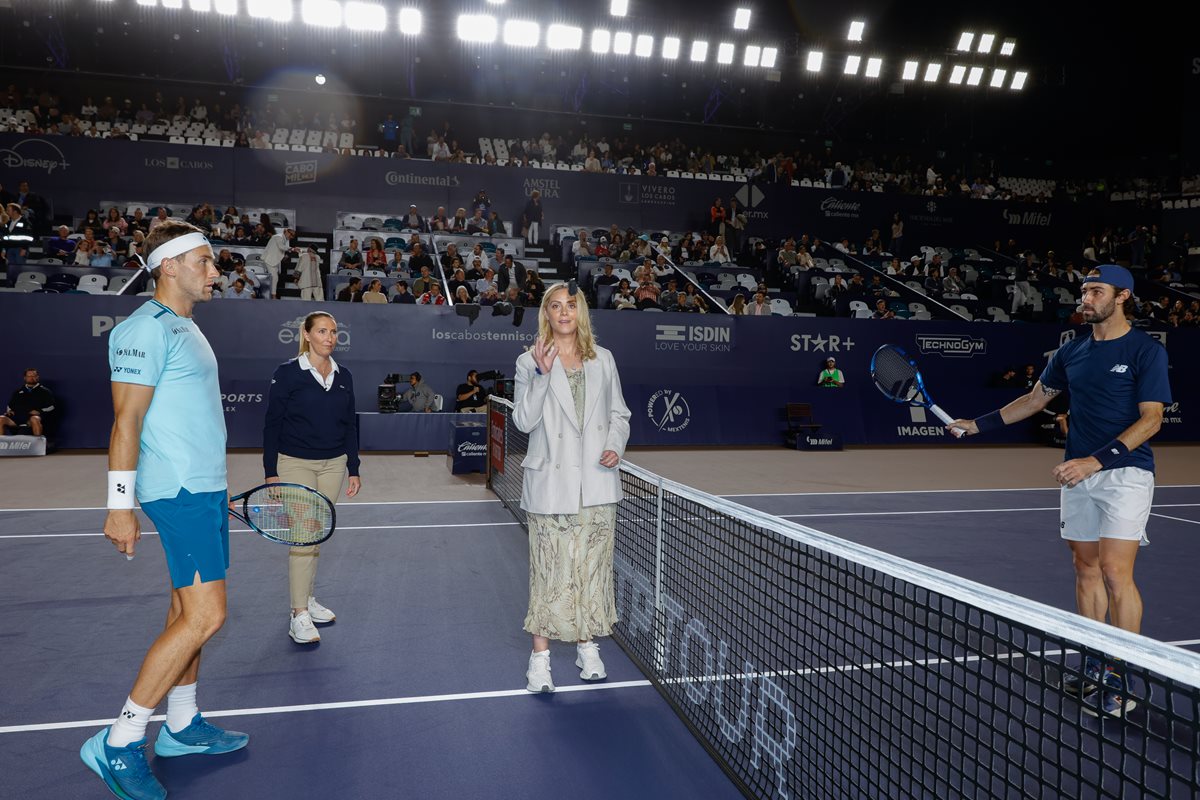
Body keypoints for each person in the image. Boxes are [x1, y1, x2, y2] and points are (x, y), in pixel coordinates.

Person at [949, 265, 1172, 717]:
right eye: (1084, 291)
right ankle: (1095, 660)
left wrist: (1096, 460)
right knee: (1084, 568)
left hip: (1125, 473)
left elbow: (1152, 420)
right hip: (1078, 475)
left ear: (1123, 297)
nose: (1085, 298)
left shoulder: (1145, 351)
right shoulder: (1071, 350)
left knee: (1115, 571)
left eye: (1096, 291)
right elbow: (1035, 400)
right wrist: (977, 425)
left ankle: (1122, 673)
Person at [82, 222, 248, 800]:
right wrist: (119, 505)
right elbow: (125, 421)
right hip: (176, 490)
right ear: (169, 266)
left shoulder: (186, 326)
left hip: (203, 488)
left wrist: (216, 485)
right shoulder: (143, 329)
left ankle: (181, 724)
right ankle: (120, 740)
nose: (214, 271)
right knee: (207, 617)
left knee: (184, 610)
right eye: (204, 261)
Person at [513, 282, 632, 693]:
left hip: (597, 486)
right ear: (546, 313)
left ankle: (587, 647)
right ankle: (540, 660)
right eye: (555, 306)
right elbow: (523, 421)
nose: (564, 312)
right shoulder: (529, 361)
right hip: (551, 486)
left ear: (580, 312)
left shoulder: (604, 359)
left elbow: (619, 414)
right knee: (550, 574)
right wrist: (543, 375)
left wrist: (614, 445)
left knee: (591, 572)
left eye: (571, 305)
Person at [262, 311, 362, 644]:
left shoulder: (344, 375)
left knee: (316, 534)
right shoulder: (287, 373)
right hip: (295, 464)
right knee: (304, 535)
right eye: (322, 331)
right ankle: (298, 614)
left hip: (334, 464)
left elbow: (350, 424)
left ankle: (307, 597)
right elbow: (272, 424)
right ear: (306, 335)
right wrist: (271, 472)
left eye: (333, 332)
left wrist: (353, 467)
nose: (329, 337)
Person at [1, 368, 56, 437]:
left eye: (34, 376)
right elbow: (10, 405)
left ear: (37, 377)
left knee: (35, 419)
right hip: (18, 418)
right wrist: (9, 411)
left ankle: (38, 443)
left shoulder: (45, 391)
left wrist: (40, 411)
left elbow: (52, 406)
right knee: (1, 418)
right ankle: (1, 442)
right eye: (29, 376)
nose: (31, 378)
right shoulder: (18, 391)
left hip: (32, 418)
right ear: (25, 378)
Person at [262, 227, 297, 299]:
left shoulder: (283, 238)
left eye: (292, 236)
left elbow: (280, 249)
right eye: (291, 234)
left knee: (275, 278)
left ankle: (273, 295)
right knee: (275, 278)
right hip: (270, 260)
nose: (291, 237)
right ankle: (273, 296)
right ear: (286, 232)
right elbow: (281, 247)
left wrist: (285, 255)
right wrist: (292, 249)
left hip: (273, 261)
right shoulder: (279, 237)